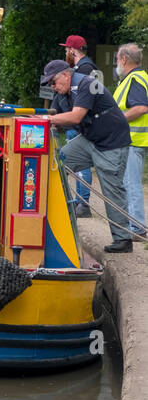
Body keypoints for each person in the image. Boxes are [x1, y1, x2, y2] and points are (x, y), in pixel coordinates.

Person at [43, 59, 134, 252]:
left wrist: (46, 119)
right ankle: (60, 218)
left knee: (111, 189)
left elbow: (75, 116)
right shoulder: (62, 93)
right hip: (90, 139)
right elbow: (52, 113)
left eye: (53, 82)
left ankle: (123, 240)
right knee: (56, 164)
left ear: (66, 76)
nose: (52, 87)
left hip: (112, 142)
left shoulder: (86, 84)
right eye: (49, 84)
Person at [54, 35, 97, 213]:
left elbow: (82, 98)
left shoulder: (85, 68)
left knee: (81, 164)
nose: (65, 52)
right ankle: (79, 200)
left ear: (73, 50)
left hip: (79, 123)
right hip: (76, 123)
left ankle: (82, 202)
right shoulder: (83, 66)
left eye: (66, 49)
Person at [114, 43, 148, 238]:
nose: (117, 62)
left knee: (131, 183)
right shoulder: (134, 78)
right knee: (128, 183)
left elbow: (141, 108)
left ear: (124, 59)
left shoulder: (134, 79)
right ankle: (133, 224)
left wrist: (117, 120)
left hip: (133, 140)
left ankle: (136, 227)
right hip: (130, 140)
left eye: (117, 58)